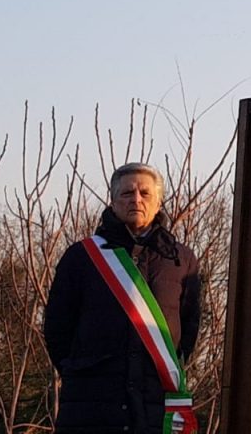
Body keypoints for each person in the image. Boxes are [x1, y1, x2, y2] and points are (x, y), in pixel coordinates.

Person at [44, 162, 202, 433]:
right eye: (127, 193)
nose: (136, 199)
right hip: (91, 405)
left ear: (158, 202)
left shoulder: (181, 260)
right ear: (113, 200)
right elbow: (57, 328)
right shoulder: (81, 257)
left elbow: (189, 328)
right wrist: (79, 371)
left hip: (156, 404)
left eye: (145, 193)